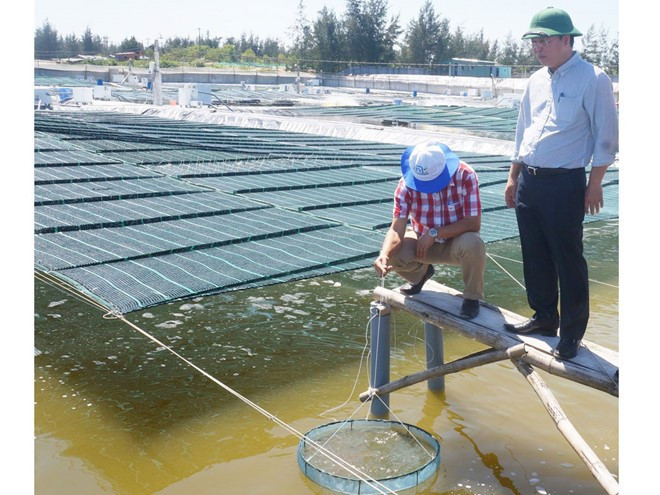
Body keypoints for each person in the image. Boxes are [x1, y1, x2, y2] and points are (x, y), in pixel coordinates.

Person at [503, 7, 619, 359]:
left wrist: (594, 183)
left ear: (567, 40)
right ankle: (543, 316)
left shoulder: (593, 78)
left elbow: (607, 138)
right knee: (534, 252)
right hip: (531, 181)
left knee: (568, 257)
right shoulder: (535, 80)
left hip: (564, 182)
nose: (538, 47)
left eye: (545, 40)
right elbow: (522, 130)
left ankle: (571, 333)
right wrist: (513, 176)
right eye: (534, 41)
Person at [374, 142, 485, 319]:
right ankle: (420, 276)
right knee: (395, 252)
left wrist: (435, 233)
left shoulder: (466, 175)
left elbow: (473, 223)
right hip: (421, 242)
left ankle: (472, 298)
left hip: (456, 242)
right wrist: (384, 253)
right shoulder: (405, 185)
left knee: (474, 243)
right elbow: (396, 230)